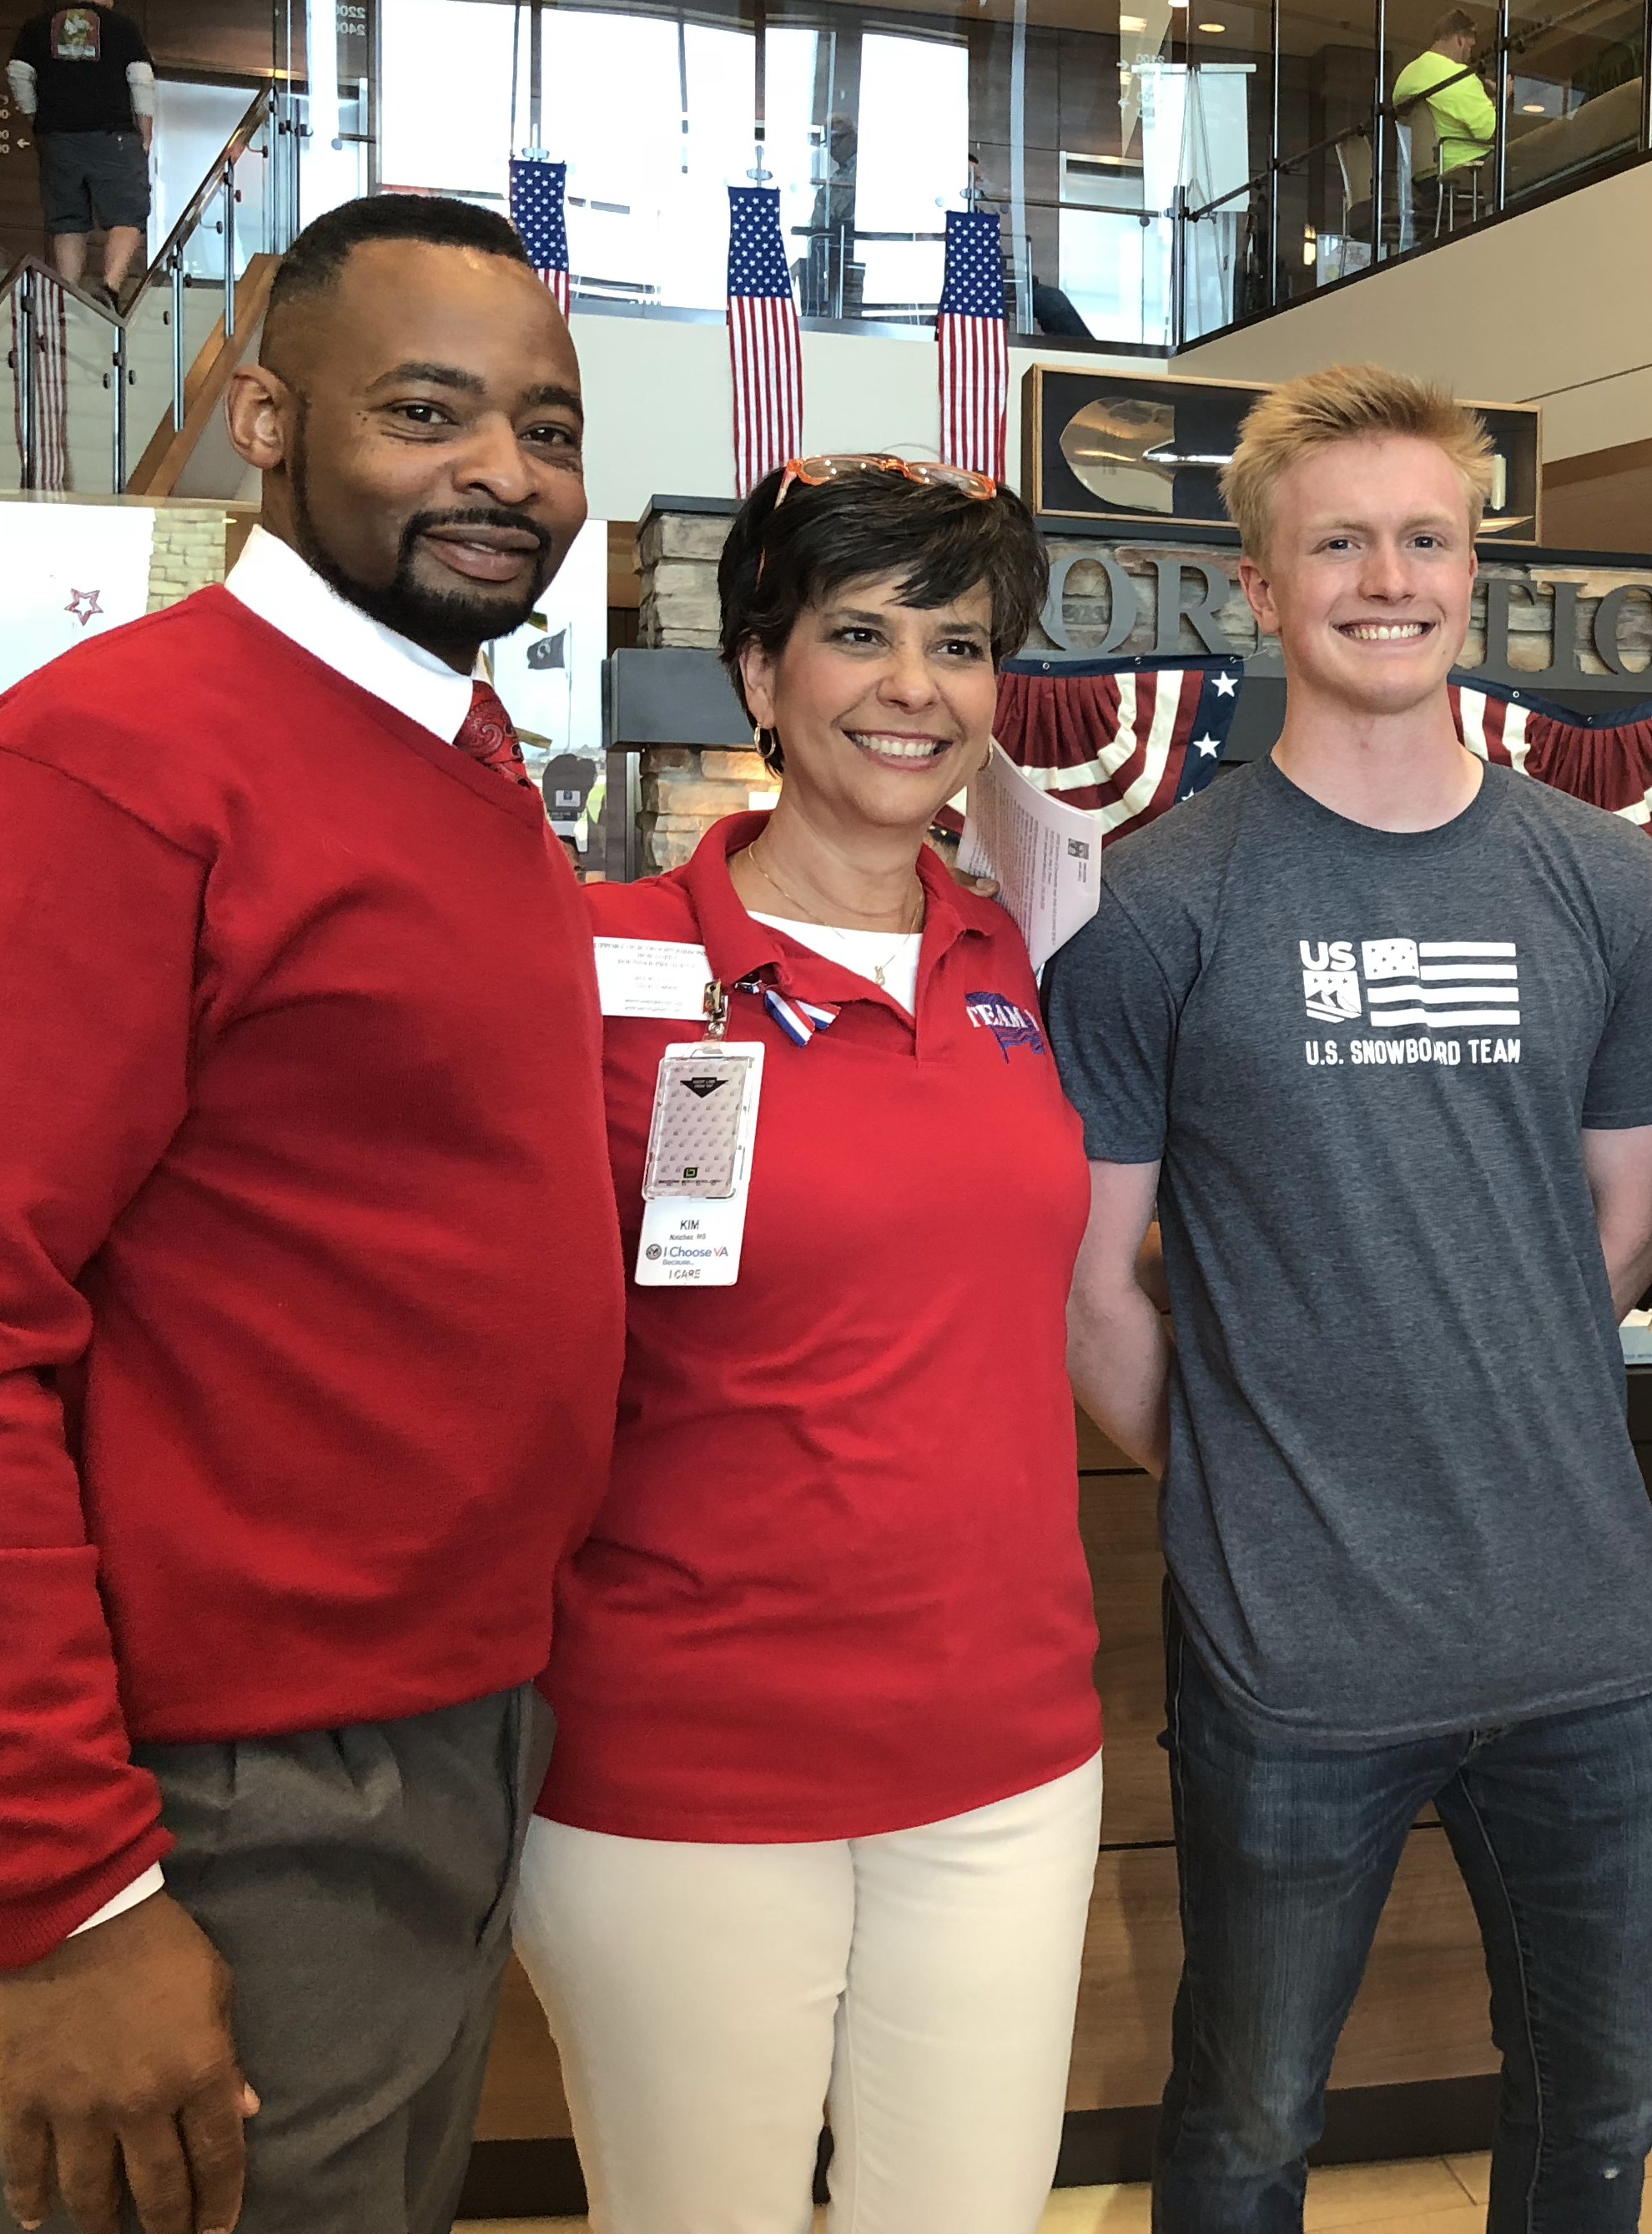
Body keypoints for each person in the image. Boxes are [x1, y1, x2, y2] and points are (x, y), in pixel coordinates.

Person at [0, 192, 622, 2234]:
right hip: (186, 1797)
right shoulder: (109, 771)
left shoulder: (457, 757)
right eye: (427, 410)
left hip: (425, 1751)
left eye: (548, 425)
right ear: (262, 414)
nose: (502, 474)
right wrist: (65, 1890)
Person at [1051, 363, 1652, 2230]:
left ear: (1472, 574)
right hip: (1294, 1662)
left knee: (1600, 2114)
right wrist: (1261, 1465)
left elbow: (1624, 1223)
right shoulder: (1160, 903)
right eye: (1338, 542)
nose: (1387, 577)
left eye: (1426, 538)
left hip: (1585, 1645)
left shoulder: (1598, 881)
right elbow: (1093, 1289)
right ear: (1259, 586)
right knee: (1248, 2124)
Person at [510, 456, 1105, 2234]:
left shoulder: (1024, 957)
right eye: (859, 635)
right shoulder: (606, 964)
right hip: (686, 1765)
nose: (916, 687)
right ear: (762, 675)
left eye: (960, 643)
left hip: (1005, 1756)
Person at [8, 0, 158, 302]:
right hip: (114, 135)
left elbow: (18, 72)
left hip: (57, 138)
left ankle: (67, 292)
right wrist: (145, 132)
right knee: (127, 214)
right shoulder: (120, 27)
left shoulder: (38, 26)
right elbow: (141, 79)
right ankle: (109, 287)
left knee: (67, 219)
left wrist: (36, 117)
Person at [1391, 8, 1498, 222]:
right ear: (1460, 40)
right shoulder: (1457, 77)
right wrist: (1499, 99)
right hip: (1463, 170)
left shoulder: (1407, 76)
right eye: (1470, 46)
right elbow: (1489, 131)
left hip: (1422, 177)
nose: (1469, 54)